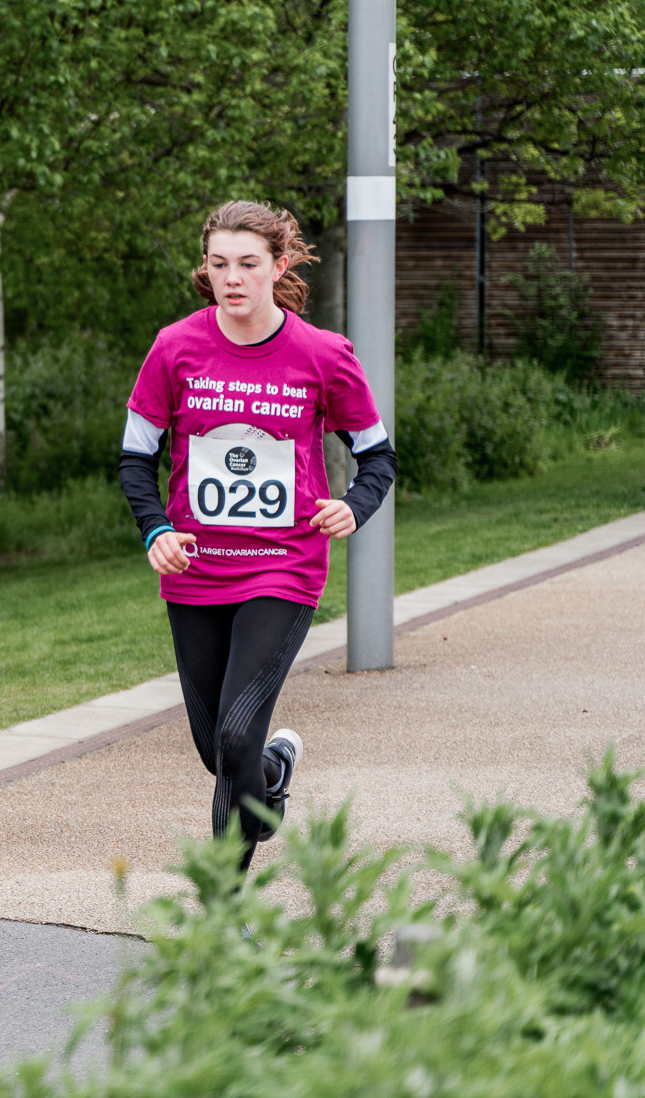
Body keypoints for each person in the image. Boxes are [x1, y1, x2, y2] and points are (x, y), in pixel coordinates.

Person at [119, 200, 397, 869]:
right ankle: (266, 779)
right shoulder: (175, 347)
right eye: (219, 264)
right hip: (196, 570)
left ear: (278, 266)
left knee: (237, 734)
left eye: (248, 264)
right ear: (206, 269)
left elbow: (377, 457)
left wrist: (352, 508)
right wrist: (155, 526)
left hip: (284, 567)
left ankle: (228, 909)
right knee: (218, 747)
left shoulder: (323, 354)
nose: (233, 278)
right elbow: (136, 458)